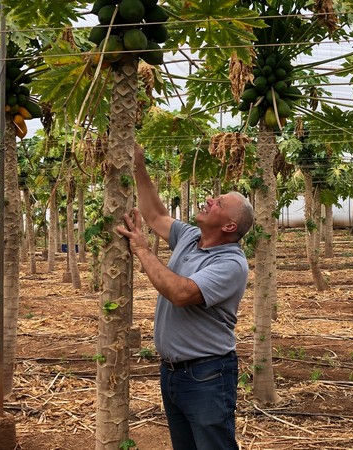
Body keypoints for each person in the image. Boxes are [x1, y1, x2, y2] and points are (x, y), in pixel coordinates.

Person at [116, 143, 254, 450]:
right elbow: (154, 215)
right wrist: (139, 165)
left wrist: (141, 249)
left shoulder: (230, 263)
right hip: (172, 373)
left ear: (229, 225)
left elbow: (181, 292)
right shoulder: (191, 237)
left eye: (218, 203)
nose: (209, 200)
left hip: (206, 375)